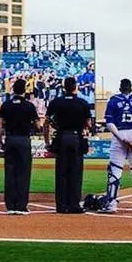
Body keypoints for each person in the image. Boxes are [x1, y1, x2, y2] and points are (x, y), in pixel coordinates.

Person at [100, 78, 132, 214]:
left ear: (120, 88)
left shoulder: (113, 101)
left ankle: (112, 203)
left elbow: (109, 123)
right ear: (131, 88)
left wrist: (121, 139)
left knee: (115, 171)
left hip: (119, 134)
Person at [44, 76, 92, 214]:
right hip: (76, 138)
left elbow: (46, 123)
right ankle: (74, 205)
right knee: (76, 173)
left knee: (61, 173)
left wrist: (47, 142)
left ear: (64, 87)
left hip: (61, 137)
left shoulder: (56, 102)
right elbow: (88, 124)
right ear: (75, 86)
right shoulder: (82, 102)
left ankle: (61, 205)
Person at [0, 79, 41, 215]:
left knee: (10, 173)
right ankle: (21, 205)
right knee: (23, 172)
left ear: (13, 89)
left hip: (10, 139)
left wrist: (1, 142)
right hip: (23, 140)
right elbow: (38, 125)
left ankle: (10, 205)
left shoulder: (6, 105)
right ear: (24, 90)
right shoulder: (29, 106)